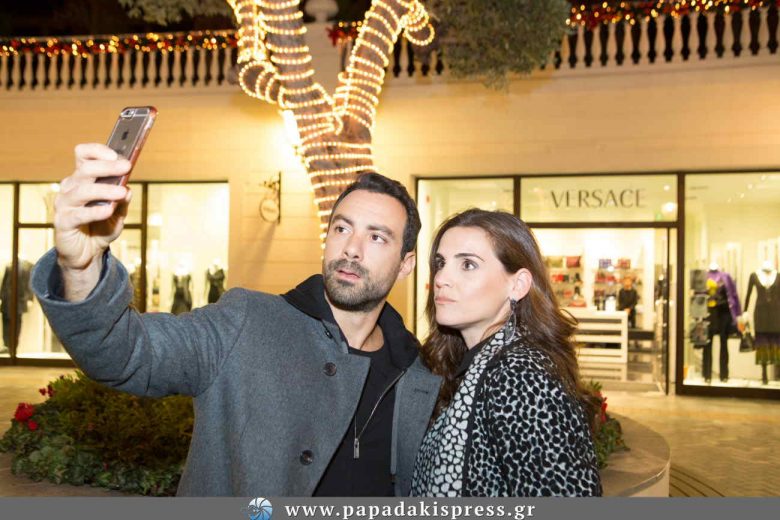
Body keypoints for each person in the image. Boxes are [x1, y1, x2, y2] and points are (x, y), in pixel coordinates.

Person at [30, 143, 441, 496]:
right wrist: (80, 269)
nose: (351, 248)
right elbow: (123, 353)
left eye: (376, 237)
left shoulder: (419, 373)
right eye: (342, 228)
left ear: (406, 265)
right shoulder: (246, 323)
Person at [411, 209, 602, 497]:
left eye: (468, 264)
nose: (441, 278)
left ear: (518, 284)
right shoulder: (474, 363)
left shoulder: (520, 375)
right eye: (441, 263)